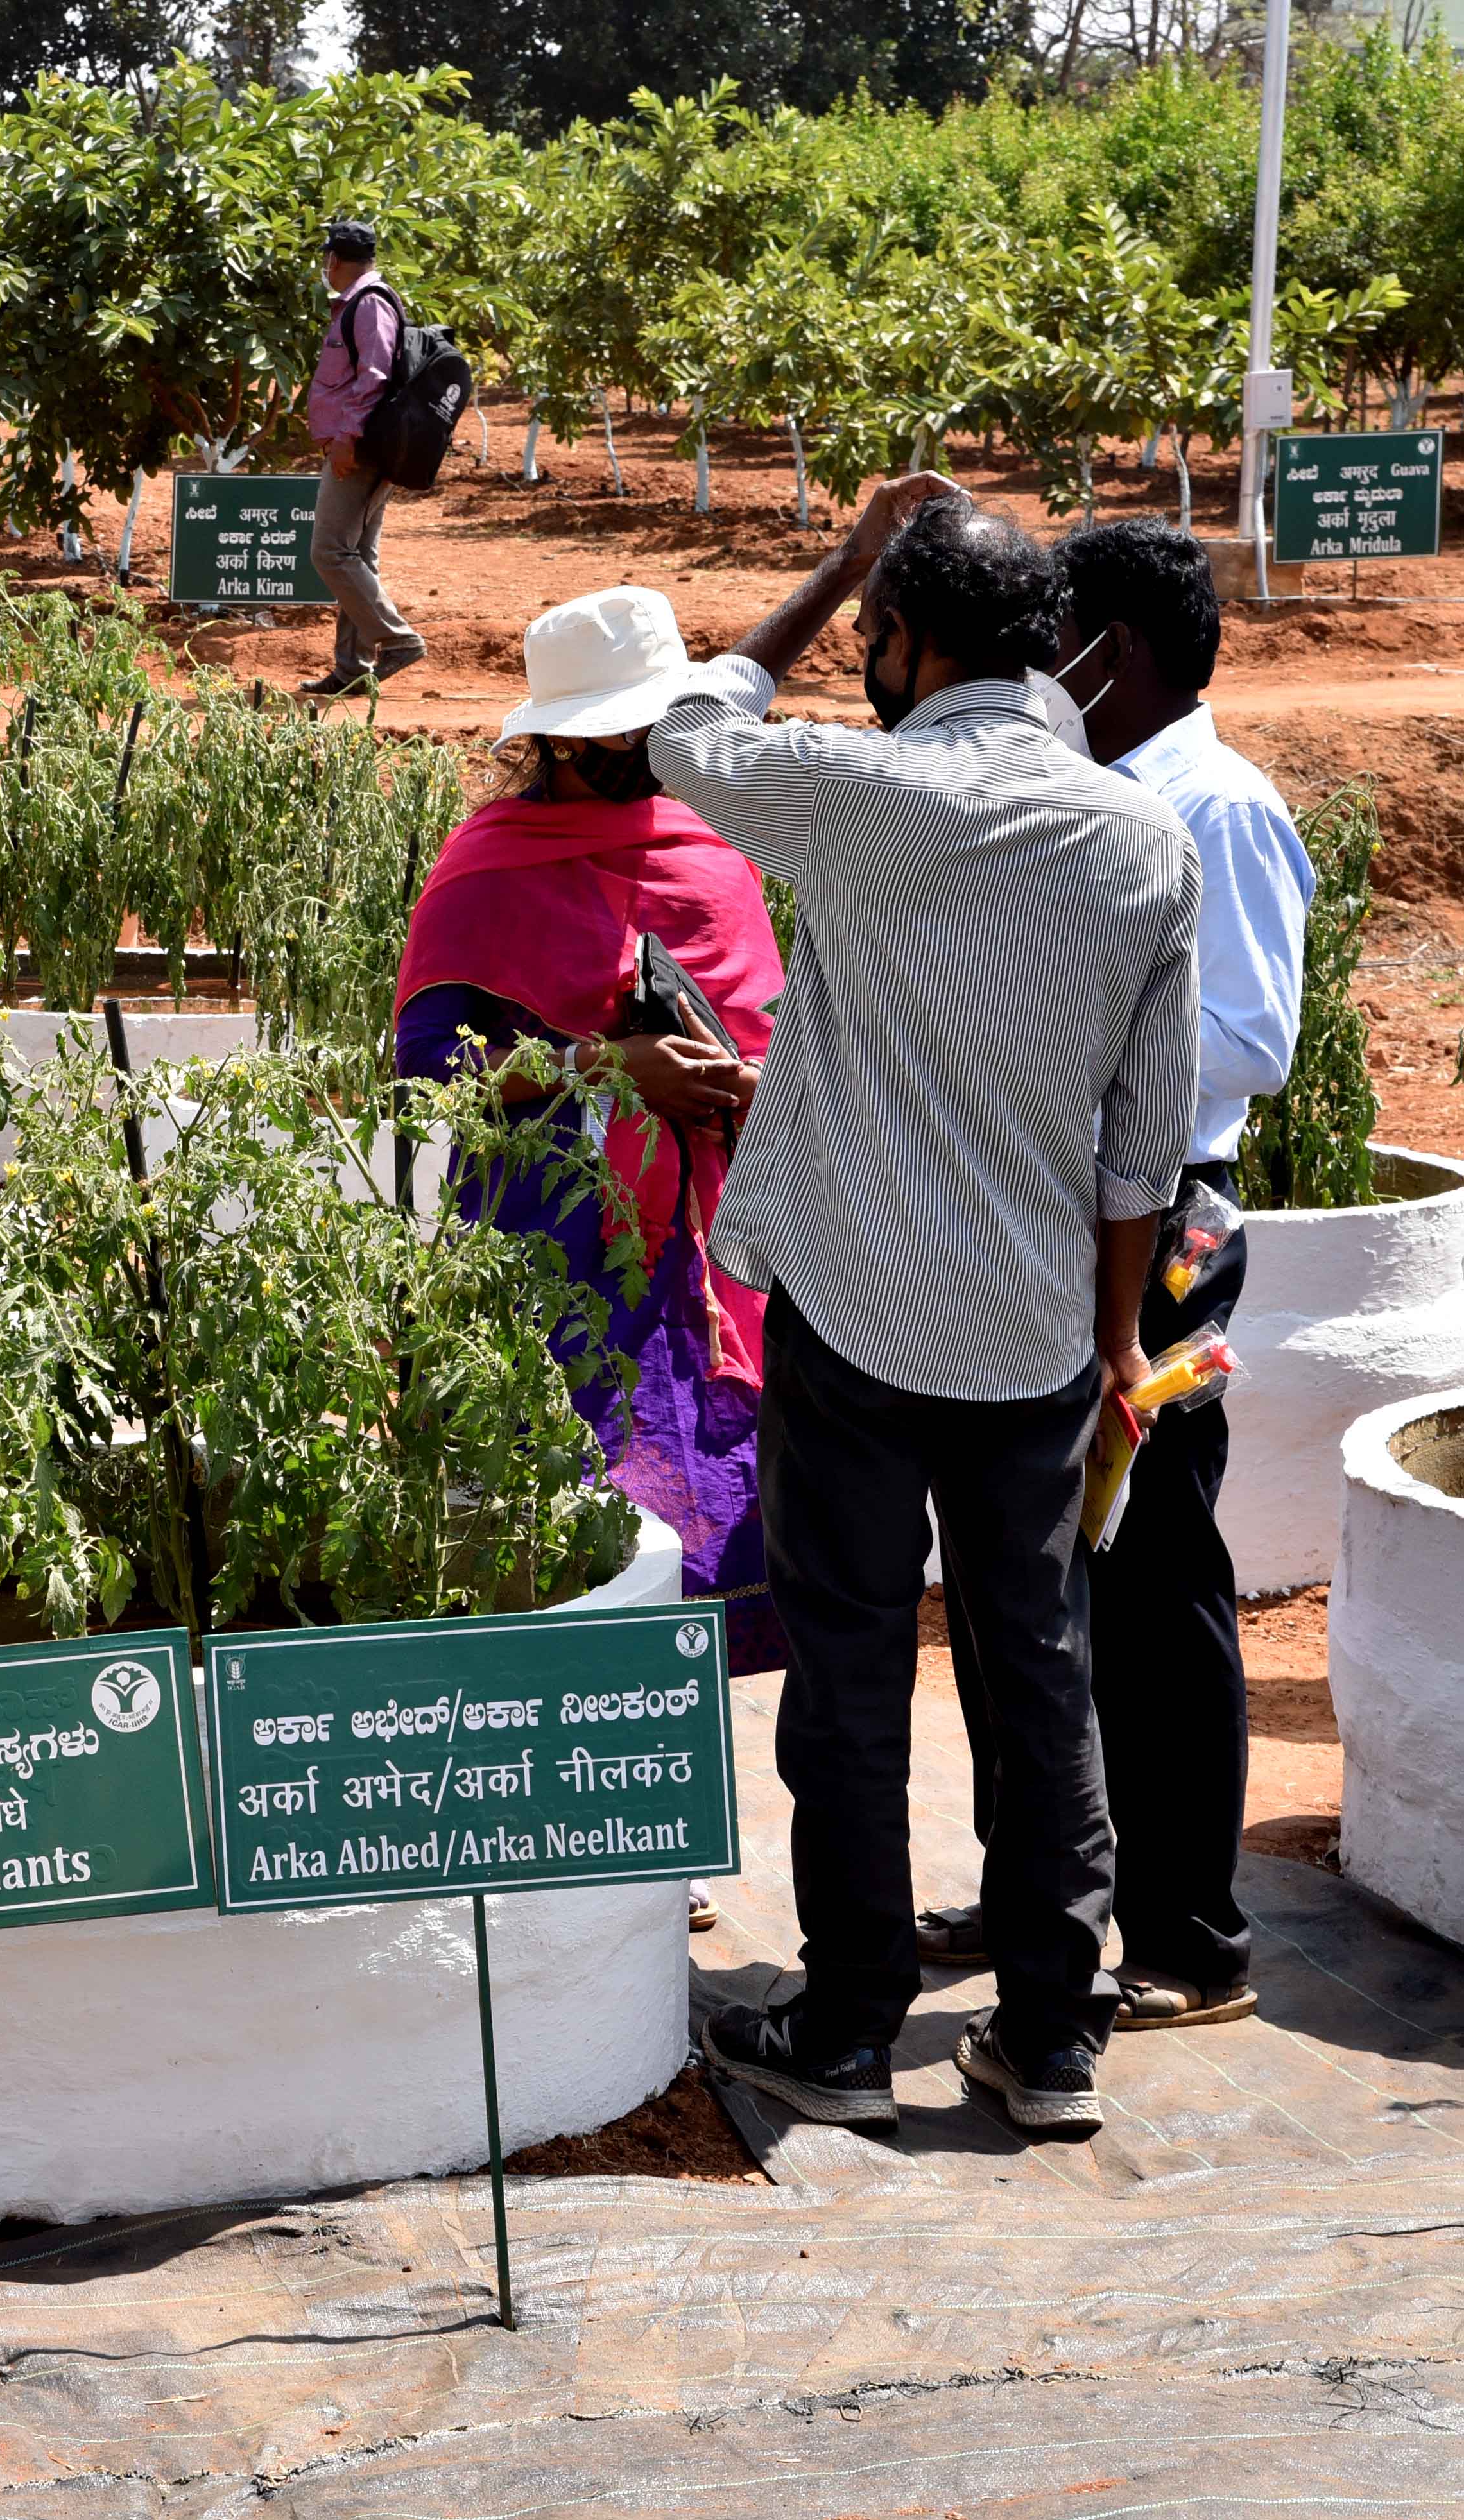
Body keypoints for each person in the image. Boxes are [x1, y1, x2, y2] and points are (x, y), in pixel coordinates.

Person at [660, 479, 1200, 2144]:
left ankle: (842, 2017)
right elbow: (1140, 1148)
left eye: (878, 629)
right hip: (1034, 1331)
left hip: (852, 1312)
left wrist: (826, 565)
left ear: (907, 642)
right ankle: (1047, 2035)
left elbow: (688, 723)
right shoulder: (1140, 844)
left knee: (845, 1676)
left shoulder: (855, 793)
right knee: (1032, 1667)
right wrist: (1115, 1340)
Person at [918, 518, 1311, 2035]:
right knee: (1020, 1571)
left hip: (1154, 1231)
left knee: (1148, 1584)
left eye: (1052, 636)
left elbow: (1244, 1043)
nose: (1030, 669)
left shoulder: (1212, 809)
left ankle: (1185, 1936)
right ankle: (1033, 1895)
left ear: (1117, 654)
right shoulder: (1088, 799)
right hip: (1046, 1216)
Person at [393, 585, 785, 1679]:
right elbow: (426, 1071)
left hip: (710, 1262)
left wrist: (748, 1083)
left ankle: (687, 1761)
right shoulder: (488, 867)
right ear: (564, 741)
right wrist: (607, 1064)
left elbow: (770, 1027)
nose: (646, 747)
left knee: (719, 1493)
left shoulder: (709, 852)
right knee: (562, 1504)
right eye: (627, 729)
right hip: (552, 1246)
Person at [300, 218, 424, 698]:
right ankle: (353, 667)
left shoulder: (368, 305)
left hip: (361, 449)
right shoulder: (360, 303)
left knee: (329, 552)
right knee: (357, 556)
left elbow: (372, 377)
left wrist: (347, 437)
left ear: (333, 259)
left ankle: (398, 639)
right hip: (363, 445)